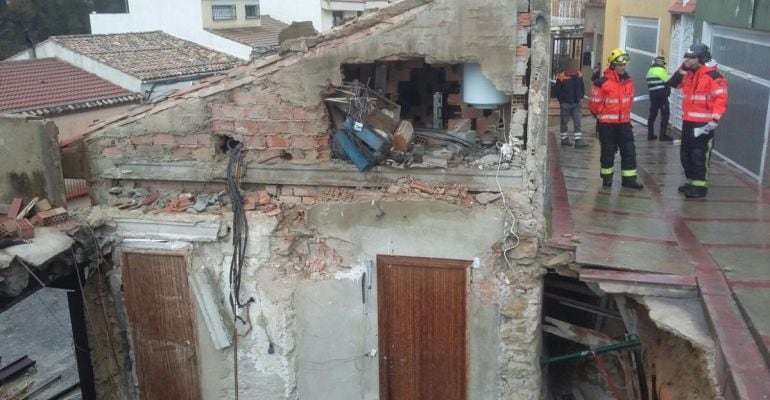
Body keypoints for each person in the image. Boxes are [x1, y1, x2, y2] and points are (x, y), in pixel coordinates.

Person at [667, 43, 728, 198]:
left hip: (704, 124)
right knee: (686, 154)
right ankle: (691, 181)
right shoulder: (689, 74)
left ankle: (700, 186)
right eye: (688, 57)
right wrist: (684, 67)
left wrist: (714, 120)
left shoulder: (714, 77)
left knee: (699, 155)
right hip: (688, 122)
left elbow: (721, 100)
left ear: (701, 58)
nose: (689, 60)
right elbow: (673, 83)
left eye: (692, 58)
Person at [589, 48, 644, 189]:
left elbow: (629, 101)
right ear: (613, 65)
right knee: (608, 152)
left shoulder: (628, 81)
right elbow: (594, 105)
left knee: (629, 151)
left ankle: (629, 180)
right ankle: (607, 180)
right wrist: (602, 117)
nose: (623, 67)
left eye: (624, 65)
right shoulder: (601, 83)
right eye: (620, 65)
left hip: (624, 124)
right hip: (607, 125)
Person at [554, 60, 588, 147]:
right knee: (564, 122)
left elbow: (582, 87)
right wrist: (562, 101)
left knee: (577, 121)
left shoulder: (579, 75)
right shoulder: (561, 77)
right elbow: (557, 91)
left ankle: (578, 140)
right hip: (566, 104)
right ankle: (564, 140)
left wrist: (580, 97)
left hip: (576, 103)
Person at [646, 56, 673, 141]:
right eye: (662, 63)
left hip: (653, 96)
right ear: (660, 62)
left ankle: (650, 134)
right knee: (665, 114)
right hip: (662, 96)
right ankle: (663, 135)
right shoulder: (661, 70)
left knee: (652, 115)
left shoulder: (650, 71)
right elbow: (669, 81)